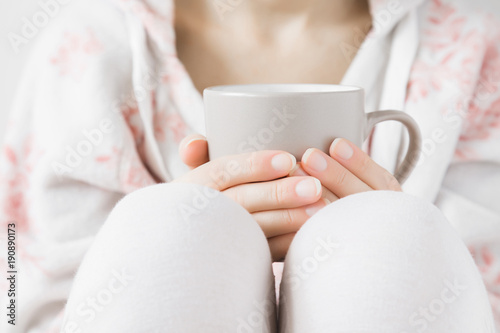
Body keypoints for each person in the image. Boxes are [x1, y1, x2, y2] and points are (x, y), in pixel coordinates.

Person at [0, 0, 499, 331]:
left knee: (389, 232)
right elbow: (15, 295)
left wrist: (389, 232)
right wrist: (174, 237)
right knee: (172, 227)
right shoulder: (88, 51)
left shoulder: (472, 45)